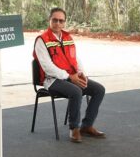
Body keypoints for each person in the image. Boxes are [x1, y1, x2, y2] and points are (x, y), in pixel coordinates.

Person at [33, 8, 106, 144]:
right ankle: (74, 128)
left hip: (71, 77)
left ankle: (87, 125)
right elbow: (47, 66)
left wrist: (82, 74)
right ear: (49, 20)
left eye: (61, 21)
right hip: (52, 80)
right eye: (55, 20)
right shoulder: (41, 40)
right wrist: (69, 77)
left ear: (64, 22)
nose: (58, 23)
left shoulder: (67, 38)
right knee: (76, 91)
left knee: (99, 90)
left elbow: (76, 59)